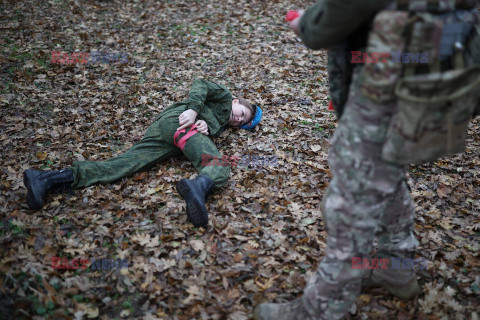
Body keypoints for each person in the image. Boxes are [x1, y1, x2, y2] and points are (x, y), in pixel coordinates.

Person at [254, 1, 479, 319]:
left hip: (389, 79)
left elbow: (337, 16)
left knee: (352, 200)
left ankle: (321, 309)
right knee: (388, 173)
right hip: (439, 64)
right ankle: (395, 269)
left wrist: (309, 24)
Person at [23, 79, 262, 227]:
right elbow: (201, 83)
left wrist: (207, 127)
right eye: (242, 113)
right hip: (178, 124)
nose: (238, 119)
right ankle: (199, 187)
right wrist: (193, 110)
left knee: (122, 165)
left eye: (241, 122)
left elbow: (207, 126)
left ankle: (47, 179)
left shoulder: (219, 123)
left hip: (166, 133)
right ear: (237, 101)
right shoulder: (223, 96)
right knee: (218, 163)